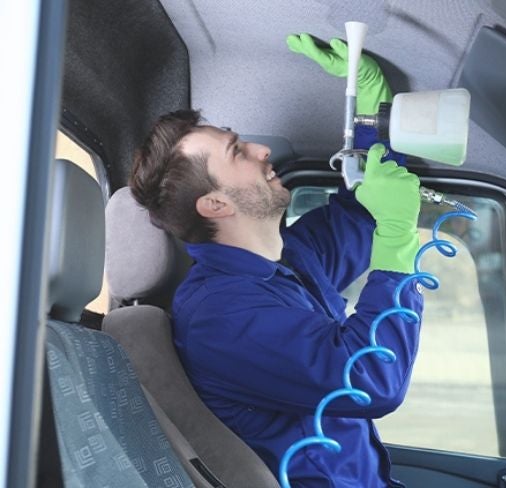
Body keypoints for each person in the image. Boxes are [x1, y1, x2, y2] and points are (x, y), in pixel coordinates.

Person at [129, 34, 422, 487]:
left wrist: (372, 112)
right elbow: (369, 378)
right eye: (236, 152)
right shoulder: (220, 315)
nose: (261, 151)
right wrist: (398, 238)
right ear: (214, 205)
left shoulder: (291, 255)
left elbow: (362, 212)